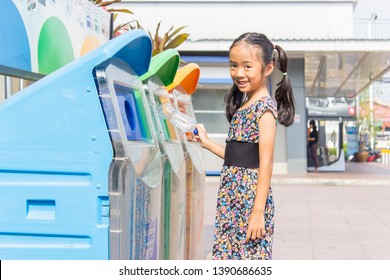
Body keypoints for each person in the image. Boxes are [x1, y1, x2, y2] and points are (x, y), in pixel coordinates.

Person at [194, 32, 295, 260]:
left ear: (268, 68)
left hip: (250, 203)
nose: (239, 73)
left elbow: (266, 163)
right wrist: (207, 143)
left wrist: (258, 212)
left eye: (247, 66)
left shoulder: (265, 109)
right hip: (232, 201)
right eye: (233, 66)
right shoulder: (245, 105)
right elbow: (238, 158)